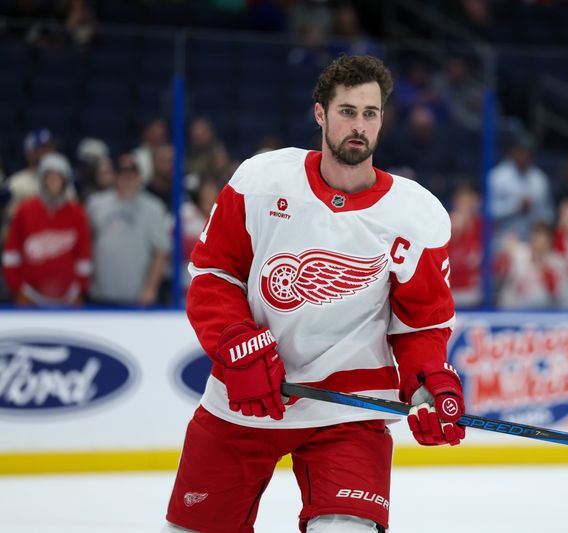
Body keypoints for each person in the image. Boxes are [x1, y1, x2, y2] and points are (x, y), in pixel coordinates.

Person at [164, 55, 464, 533]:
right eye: (347, 111)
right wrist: (234, 339)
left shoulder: (417, 215)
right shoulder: (260, 182)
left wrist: (429, 381)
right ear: (320, 114)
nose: (359, 125)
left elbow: (421, 324)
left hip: (350, 410)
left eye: (370, 113)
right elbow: (214, 275)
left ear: (382, 119)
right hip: (245, 401)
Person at [2, 153, 91, 306]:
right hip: (29, 296)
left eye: (58, 178)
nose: (54, 182)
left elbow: (84, 256)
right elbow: (11, 253)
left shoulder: (78, 213)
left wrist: (78, 289)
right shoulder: (25, 210)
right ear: (42, 180)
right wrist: (18, 288)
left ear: (65, 181)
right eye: (50, 177)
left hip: (68, 297)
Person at [86, 154, 170, 306]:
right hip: (99, 294)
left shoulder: (154, 208)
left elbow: (161, 252)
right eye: (124, 176)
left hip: (136, 297)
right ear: (116, 177)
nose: (128, 181)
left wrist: (150, 288)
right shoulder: (95, 204)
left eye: (132, 176)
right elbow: (85, 242)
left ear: (139, 178)